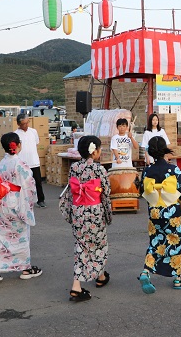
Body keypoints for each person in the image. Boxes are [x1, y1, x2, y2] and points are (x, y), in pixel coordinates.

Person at [0, 132, 42, 282]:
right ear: (18, 145)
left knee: (0, 235)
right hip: (16, 202)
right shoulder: (21, 165)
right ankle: (25, 269)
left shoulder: (0, 165)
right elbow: (29, 186)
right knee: (21, 236)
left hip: (0, 203)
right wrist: (30, 203)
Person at [59, 135, 113, 301]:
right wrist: (108, 213)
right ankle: (78, 285)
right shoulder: (100, 170)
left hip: (78, 210)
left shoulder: (74, 167)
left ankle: (99, 275)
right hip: (94, 210)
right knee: (98, 243)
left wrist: (69, 211)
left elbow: (70, 189)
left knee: (82, 244)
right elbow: (106, 192)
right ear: (95, 152)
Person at [138, 136, 181, 294]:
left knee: (155, 242)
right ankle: (178, 279)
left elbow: (142, 190)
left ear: (150, 152)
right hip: (171, 212)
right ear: (165, 149)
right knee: (175, 242)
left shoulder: (147, 170)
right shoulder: (173, 169)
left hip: (154, 212)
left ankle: (146, 271)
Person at [15, 114, 46, 208]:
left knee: (38, 181)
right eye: (23, 124)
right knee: (21, 182)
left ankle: (41, 200)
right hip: (22, 162)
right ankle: (21, 201)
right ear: (19, 124)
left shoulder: (33, 131)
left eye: (27, 122)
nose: (26, 125)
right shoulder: (15, 134)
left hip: (34, 161)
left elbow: (36, 143)